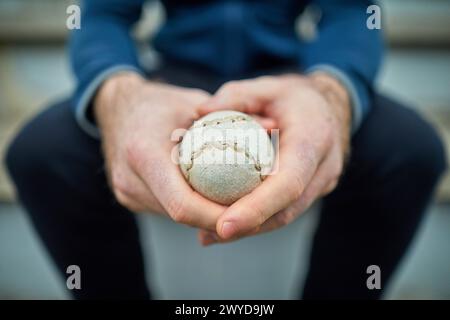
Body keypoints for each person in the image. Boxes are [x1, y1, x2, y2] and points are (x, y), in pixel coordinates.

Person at [5, 0, 447, 299]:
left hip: (289, 77)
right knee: (42, 151)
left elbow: (353, 14)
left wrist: (330, 91)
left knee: (409, 149)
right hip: (172, 77)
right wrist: (118, 93)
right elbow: (100, 16)